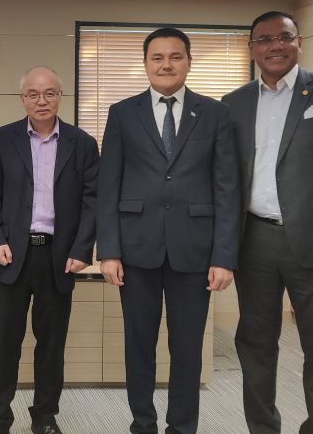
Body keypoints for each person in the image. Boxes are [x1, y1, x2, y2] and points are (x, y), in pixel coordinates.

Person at [221, 11, 313, 434]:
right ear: (251, 49)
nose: (275, 46)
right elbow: (226, 180)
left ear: (298, 41)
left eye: (284, 37)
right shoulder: (233, 103)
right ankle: (263, 428)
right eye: (264, 39)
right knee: (254, 346)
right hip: (254, 242)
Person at [96, 28, 240, 434]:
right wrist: (109, 250)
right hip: (135, 249)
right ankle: (142, 424)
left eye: (175, 56)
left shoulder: (214, 114)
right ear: (145, 64)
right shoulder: (123, 112)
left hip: (195, 252)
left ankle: (182, 427)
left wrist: (224, 256)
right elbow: (109, 185)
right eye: (157, 57)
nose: (166, 64)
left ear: (189, 62)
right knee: (138, 346)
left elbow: (227, 188)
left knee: (188, 349)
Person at [0, 67, 98, 434]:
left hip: (59, 259)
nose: (41, 100)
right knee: (5, 345)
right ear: (22, 99)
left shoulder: (83, 143)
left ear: (60, 96)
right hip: (12, 255)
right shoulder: (2, 138)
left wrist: (81, 249)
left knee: (51, 346)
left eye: (49, 93)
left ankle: (44, 418)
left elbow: (94, 201)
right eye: (33, 94)